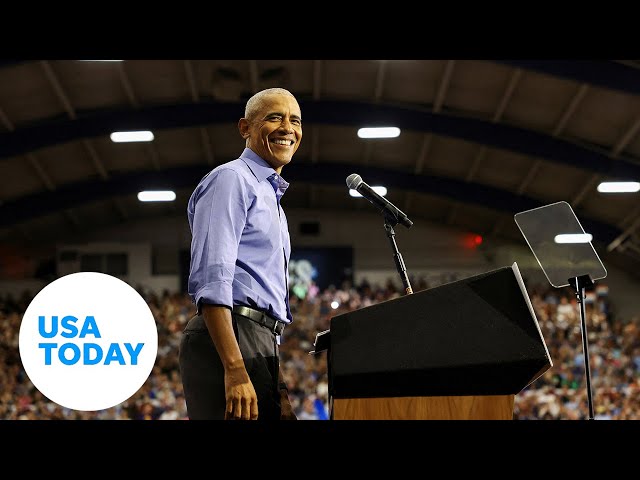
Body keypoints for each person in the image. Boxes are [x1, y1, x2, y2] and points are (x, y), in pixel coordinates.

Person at [179, 87, 301, 420]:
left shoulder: (270, 197)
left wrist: (274, 378)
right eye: (274, 117)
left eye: (295, 120)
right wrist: (234, 367)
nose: (287, 128)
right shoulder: (231, 179)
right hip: (230, 335)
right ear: (245, 128)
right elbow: (213, 278)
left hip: (261, 340)